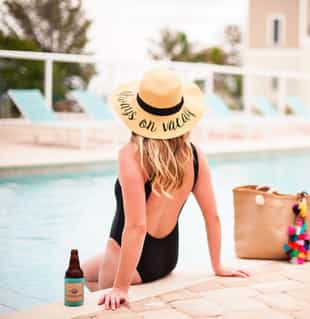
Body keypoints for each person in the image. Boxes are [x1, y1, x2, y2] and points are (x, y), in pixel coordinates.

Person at [82, 69, 250, 310]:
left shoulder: (131, 155)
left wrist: (120, 288)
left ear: (138, 114)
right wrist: (218, 266)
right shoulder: (194, 155)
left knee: (78, 279)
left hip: (130, 265)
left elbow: (137, 227)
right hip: (166, 259)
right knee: (84, 271)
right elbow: (212, 216)